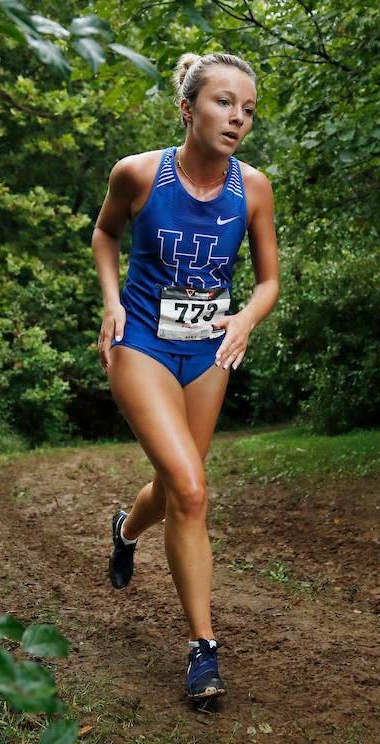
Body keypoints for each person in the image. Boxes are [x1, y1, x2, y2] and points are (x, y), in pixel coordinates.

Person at [91, 52, 280, 700]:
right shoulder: (139, 175)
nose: (238, 118)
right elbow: (104, 236)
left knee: (178, 490)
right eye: (224, 102)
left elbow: (269, 279)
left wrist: (245, 319)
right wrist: (112, 302)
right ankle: (203, 649)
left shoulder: (252, 188)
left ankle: (125, 530)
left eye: (248, 109)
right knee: (194, 492)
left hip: (208, 353)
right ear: (187, 107)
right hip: (140, 341)